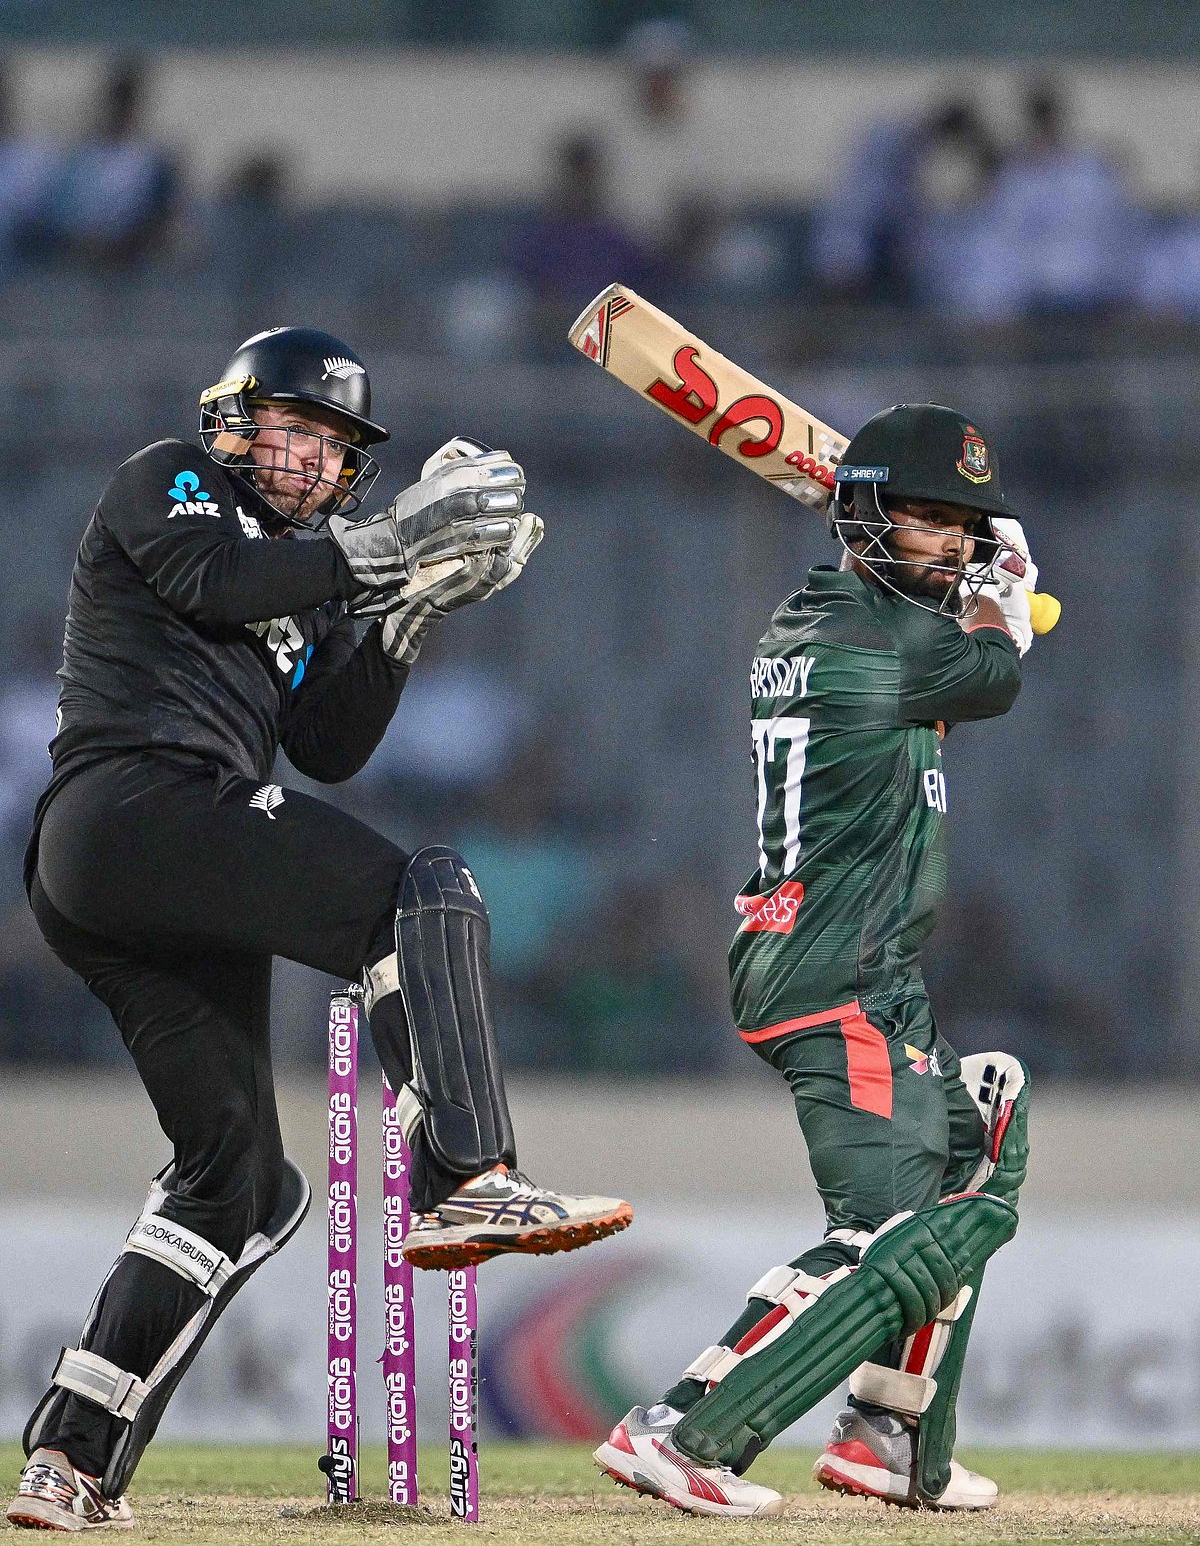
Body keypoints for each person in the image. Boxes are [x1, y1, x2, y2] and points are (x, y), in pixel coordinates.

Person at [6, 325, 632, 1532]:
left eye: (332, 443)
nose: (306, 457)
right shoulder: (168, 484)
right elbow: (214, 585)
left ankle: (69, 1461)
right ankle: (465, 1172)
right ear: (233, 421)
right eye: (290, 427)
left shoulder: (316, 569)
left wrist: (407, 616)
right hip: (131, 804)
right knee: (426, 885)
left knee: (239, 1186)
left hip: (156, 867)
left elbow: (331, 743)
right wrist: (386, 547)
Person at [594, 404, 1033, 1517]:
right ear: (865, 516)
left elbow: (971, 657)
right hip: (834, 973)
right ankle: (691, 1429)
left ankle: (891, 1432)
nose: (950, 541)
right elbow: (995, 673)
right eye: (928, 519)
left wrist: (991, 593)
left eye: (964, 525)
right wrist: (1009, 594)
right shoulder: (882, 638)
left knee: (981, 1134)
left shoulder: (831, 618)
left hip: (862, 968)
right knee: (889, 1233)